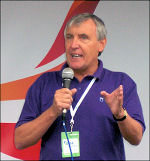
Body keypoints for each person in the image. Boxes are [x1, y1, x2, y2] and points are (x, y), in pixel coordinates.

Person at [14, 13, 146, 160]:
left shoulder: (120, 82)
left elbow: (136, 138)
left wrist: (120, 115)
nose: (73, 45)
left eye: (83, 37)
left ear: (101, 44)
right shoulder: (44, 83)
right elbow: (20, 141)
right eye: (69, 37)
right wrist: (52, 112)